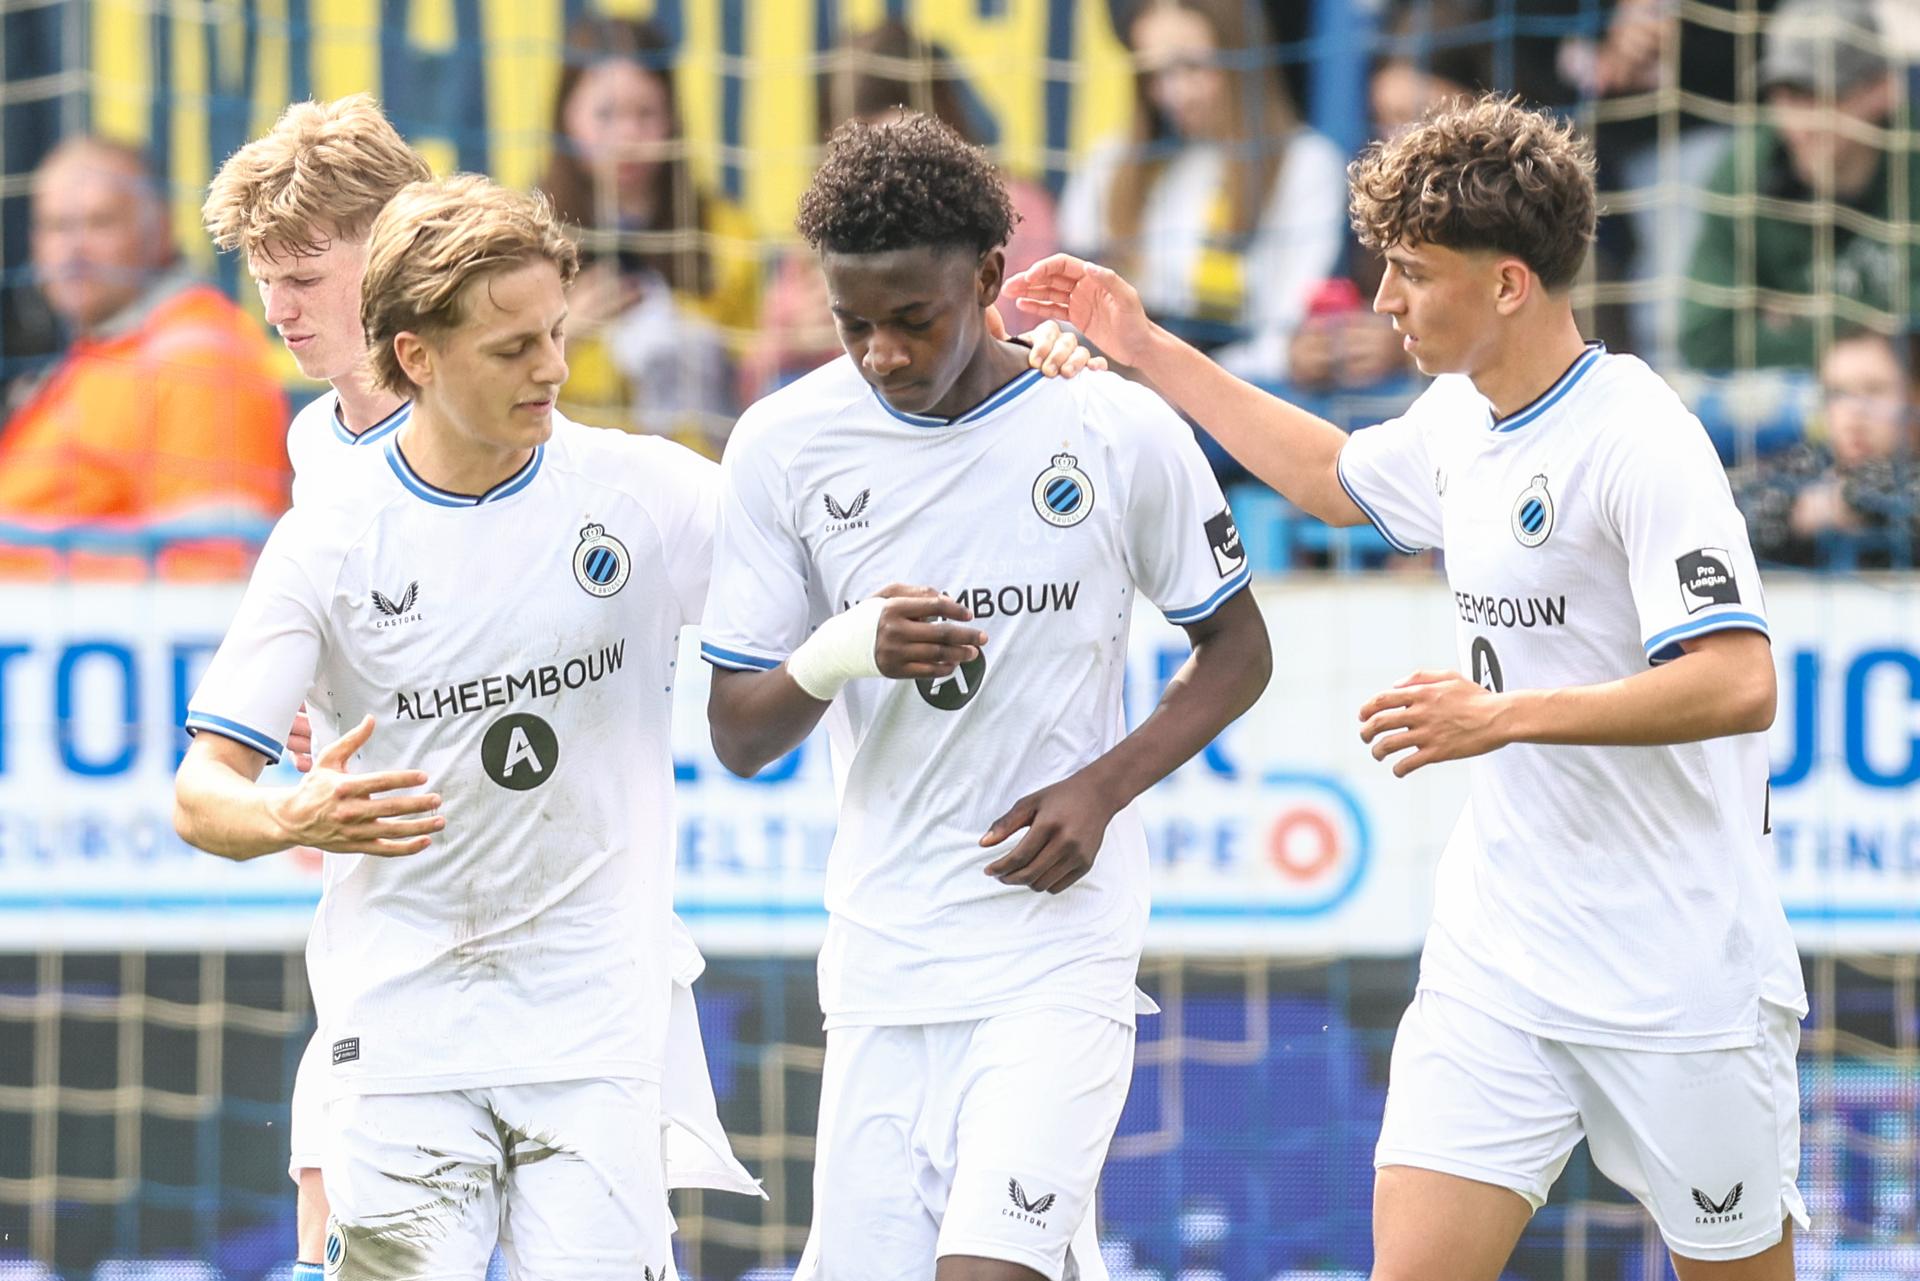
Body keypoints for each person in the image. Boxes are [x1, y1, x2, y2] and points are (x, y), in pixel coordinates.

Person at [1006, 93, 1807, 1280]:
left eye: (1412, 272)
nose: (1382, 301)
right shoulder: (1458, 418)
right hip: (1505, 951)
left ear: (1509, 284)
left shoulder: (1640, 437)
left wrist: (1503, 718)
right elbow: (1331, 477)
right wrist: (1144, 345)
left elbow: (1740, 683)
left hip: (1678, 967)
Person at [701, 113, 1272, 1281]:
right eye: (855, 326)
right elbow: (738, 735)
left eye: (915, 321)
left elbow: (1239, 650)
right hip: (882, 961)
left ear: (992, 280)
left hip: (1056, 954)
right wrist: (840, 651)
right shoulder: (784, 443)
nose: (885, 356)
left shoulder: (1111, 427)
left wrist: (1101, 791)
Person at [200, 96, 760, 1276]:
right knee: (327, 1210)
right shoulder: (322, 472)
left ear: (391, 254)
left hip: (575, 960)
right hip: (400, 951)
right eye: (263, 281)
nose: (275, 310)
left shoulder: (559, 437)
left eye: (301, 274)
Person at [1, 136, 288, 576]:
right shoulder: (103, 354)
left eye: (99, 223)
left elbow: (214, 569)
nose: (73, 249)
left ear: (159, 231)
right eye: (56, 226)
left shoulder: (198, 359)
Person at [740, 18, 1062, 401]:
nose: (879, 167)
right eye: (852, 147)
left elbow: (1037, 342)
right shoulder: (830, 230)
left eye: (893, 138)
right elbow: (753, 384)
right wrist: (789, 342)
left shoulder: (1016, 209)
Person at [1057, 0, 1348, 390]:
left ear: (1242, 57)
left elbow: (1289, 342)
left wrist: (1181, 384)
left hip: (1234, 409)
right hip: (1116, 395)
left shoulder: (1306, 164)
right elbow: (1064, 312)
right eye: (1155, 74)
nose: (1176, 94)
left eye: (1193, 67)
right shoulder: (1110, 165)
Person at [536, 14, 758, 449]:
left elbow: (759, 385)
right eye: (606, 114)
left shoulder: (727, 235)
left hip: (698, 476)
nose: (628, 136)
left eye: (645, 113)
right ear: (565, 117)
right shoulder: (526, 240)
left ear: (673, 117)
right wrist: (561, 338)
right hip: (574, 480)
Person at [1680, 0, 1914, 371]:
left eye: (1821, 96)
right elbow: (1704, 340)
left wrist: (1798, 325)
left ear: (1881, 90)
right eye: (1785, 97)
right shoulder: (1744, 172)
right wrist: (1865, 336)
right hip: (1802, 403)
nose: (1798, 123)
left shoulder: (1912, 154)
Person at [1733, 326, 1919, 567]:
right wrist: (1799, 512)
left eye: (1875, 390)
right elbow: (1731, 515)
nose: (1854, 412)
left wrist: (1847, 499)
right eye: (1837, 394)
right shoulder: (1807, 464)